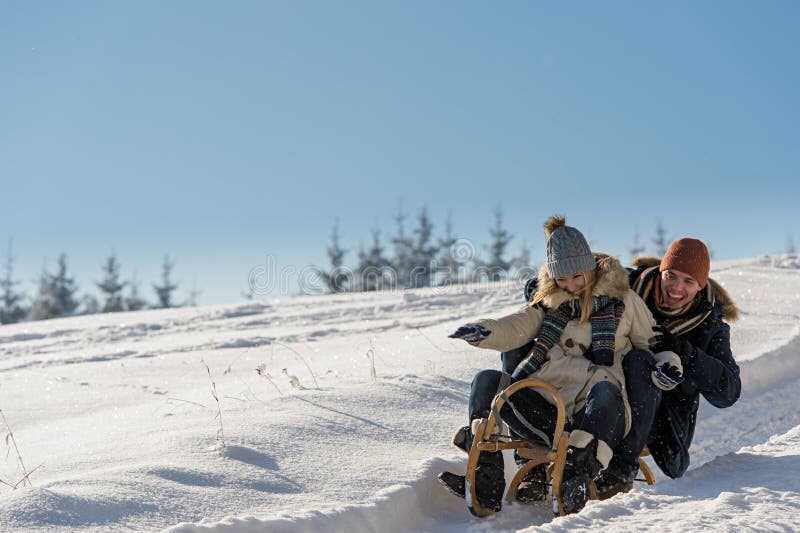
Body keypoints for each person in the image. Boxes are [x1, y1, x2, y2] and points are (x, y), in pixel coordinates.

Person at [438, 216, 681, 515]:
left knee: (606, 391)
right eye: (561, 280)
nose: (570, 286)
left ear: (589, 268)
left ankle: (575, 478)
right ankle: (485, 478)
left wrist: (669, 364)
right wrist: (485, 330)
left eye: (576, 277)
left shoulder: (624, 301)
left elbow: (654, 344)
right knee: (487, 381)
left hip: (600, 411)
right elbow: (518, 325)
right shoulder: (549, 301)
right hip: (550, 409)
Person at [593, 238, 741, 499]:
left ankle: (621, 470)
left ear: (701, 285)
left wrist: (686, 353)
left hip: (659, 415)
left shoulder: (709, 325)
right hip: (602, 387)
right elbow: (569, 279)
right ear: (661, 270)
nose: (676, 288)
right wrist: (540, 286)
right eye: (670, 276)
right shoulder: (627, 286)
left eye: (688, 281)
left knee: (640, 361)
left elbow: (728, 392)